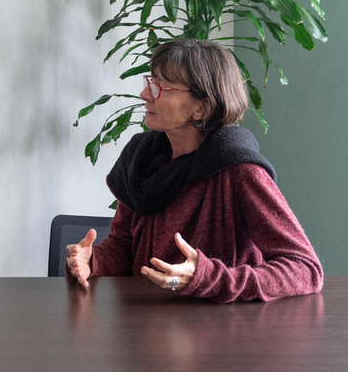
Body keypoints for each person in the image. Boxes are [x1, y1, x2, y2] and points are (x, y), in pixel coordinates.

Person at [66, 39, 323, 303]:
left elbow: (305, 268)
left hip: (222, 332)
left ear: (201, 107)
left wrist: (208, 278)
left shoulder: (239, 170)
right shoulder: (140, 160)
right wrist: (92, 260)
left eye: (161, 88)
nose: (145, 94)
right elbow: (125, 246)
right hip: (144, 326)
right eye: (149, 82)